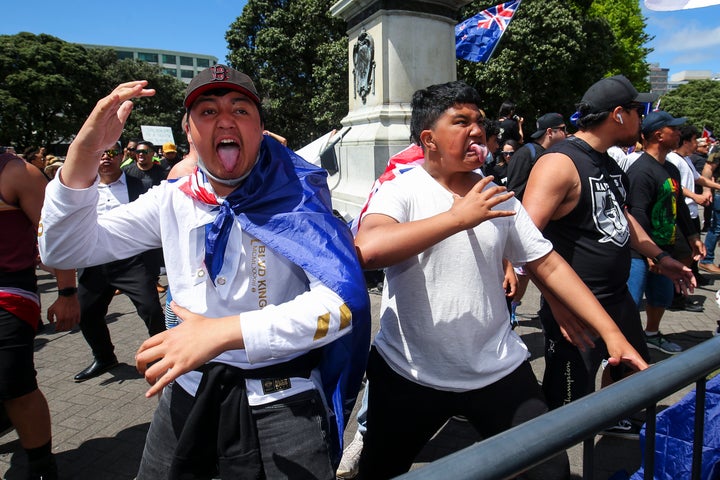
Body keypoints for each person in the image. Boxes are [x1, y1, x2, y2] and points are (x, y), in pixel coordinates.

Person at [39, 66, 370, 479]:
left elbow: (343, 305)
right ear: (189, 134)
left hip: (283, 403)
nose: (226, 120)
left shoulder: (300, 199)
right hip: (187, 391)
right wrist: (84, 152)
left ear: (261, 129)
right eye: (208, 111)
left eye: (241, 110)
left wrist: (224, 333)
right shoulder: (171, 198)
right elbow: (64, 248)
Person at [353, 80, 647, 479]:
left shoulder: (499, 195)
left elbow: (549, 265)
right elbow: (368, 249)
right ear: (429, 138)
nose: (476, 130)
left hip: (498, 368)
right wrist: (458, 217)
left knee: (549, 470)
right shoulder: (400, 189)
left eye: (478, 121)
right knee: (380, 471)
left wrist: (612, 334)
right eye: (460, 121)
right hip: (409, 372)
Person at [522, 76, 694, 435]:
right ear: (618, 115)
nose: (641, 118)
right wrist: (556, 304)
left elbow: (622, 218)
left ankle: (613, 418)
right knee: (566, 408)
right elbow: (524, 239)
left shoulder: (609, 163)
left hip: (616, 299)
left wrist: (660, 257)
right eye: (636, 110)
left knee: (631, 371)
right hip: (575, 308)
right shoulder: (560, 163)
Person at [1, 151, 80, 479]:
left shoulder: (18, 173)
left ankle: (41, 465)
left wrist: (67, 293)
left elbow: (55, 237)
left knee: (13, 382)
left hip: (9, 295)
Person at [73, 143, 166, 383]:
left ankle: (164, 356)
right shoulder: (82, 189)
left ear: (123, 155)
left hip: (131, 262)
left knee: (152, 310)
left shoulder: (140, 186)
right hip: (93, 263)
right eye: (100, 152)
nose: (106, 157)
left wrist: (153, 267)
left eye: (112, 152)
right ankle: (104, 357)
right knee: (86, 314)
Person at [626, 110, 705, 355]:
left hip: (665, 248)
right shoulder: (641, 170)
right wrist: (650, 252)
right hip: (639, 253)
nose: (680, 133)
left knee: (661, 296)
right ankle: (625, 344)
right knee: (631, 301)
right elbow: (637, 213)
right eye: (675, 129)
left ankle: (651, 334)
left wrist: (693, 238)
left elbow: (679, 205)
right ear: (659, 135)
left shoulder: (670, 168)